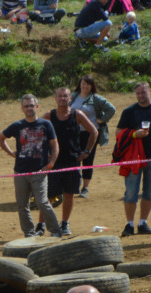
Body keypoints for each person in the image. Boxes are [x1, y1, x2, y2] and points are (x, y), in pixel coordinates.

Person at [0, 94, 60, 238]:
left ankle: (55, 231)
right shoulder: (17, 126)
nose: (29, 108)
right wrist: (10, 153)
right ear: (22, 108)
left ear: (36, 106)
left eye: (31, 105)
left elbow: (55, 146)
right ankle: (29, 233)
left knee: (43, 203)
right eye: (26, 106)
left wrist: (50, 165)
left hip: (39, 171)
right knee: (22, 205)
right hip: (20, 172)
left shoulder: (46, 124)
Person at [45, 86, 97, 237]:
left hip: (72, 161)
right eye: (59, 96)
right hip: (54, 162)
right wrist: (44, 154)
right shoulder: (49, 115)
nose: (62, 99)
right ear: (55, 98)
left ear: (70, 99)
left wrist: (86, 151)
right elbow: (37, 130)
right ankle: (45, 225)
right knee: (48, 196)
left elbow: (94, 131)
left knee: (69, 194)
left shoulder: (77, 114)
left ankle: (65, 223)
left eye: (65, 96)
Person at [70, 75, 117, 198]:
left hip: (91, 133)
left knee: (87, 159)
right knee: (73, 158)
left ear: (92, 86)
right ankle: (73, 185)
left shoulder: (96, 99)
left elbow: (111, 109)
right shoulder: (73, 96)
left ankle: (85, 188)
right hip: (74, 133)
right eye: (83, 83)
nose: (84, 86)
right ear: (80, 84)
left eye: (87, 84)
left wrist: (102, 120)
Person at [115, 81, 151, 237]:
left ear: (149, 91)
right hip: (134, 158)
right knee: (131, 192)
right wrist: (134, 134)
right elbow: (118, 132)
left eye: (143, 92)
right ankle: (129, 224)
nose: (141, 96)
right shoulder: (129, 111)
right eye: (138, 93)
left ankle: (143, 222)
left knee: (149, 193)